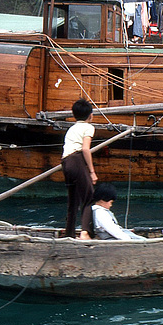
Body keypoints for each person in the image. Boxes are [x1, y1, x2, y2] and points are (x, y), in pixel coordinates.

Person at [62, 99, 98, 239]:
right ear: (90, 115)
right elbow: (85, 149)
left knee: (73, 202)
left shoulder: (71, 128)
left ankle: (69, 234)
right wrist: (92, 172)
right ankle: (85, 233)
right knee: (89, 198)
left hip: (65, 163)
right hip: (76, 161)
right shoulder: (88, 127)